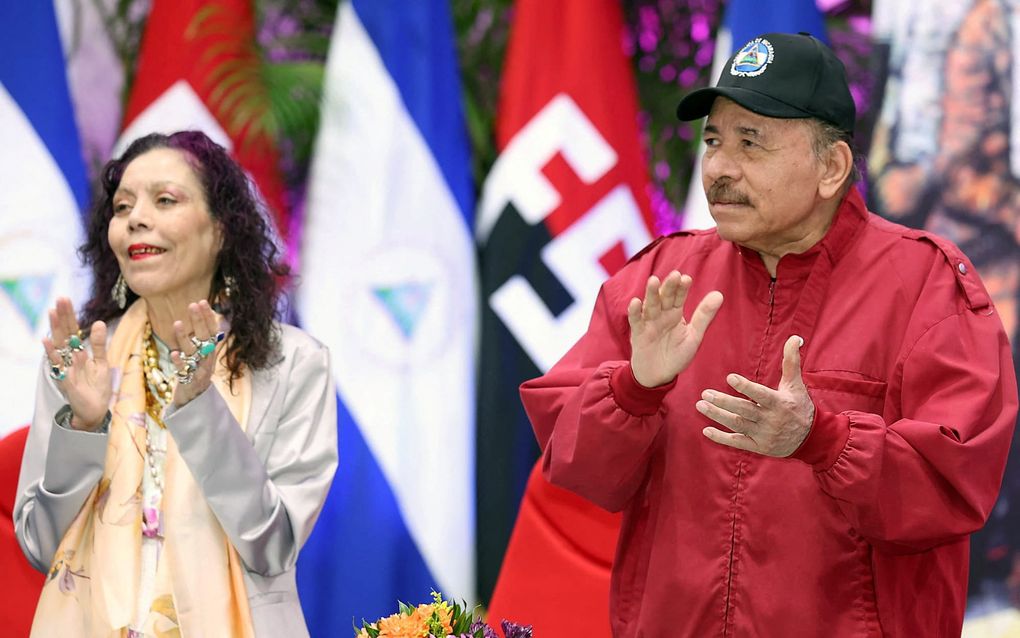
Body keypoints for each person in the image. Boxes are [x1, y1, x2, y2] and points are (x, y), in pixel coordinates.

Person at [520, 32, 1018, 637]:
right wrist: (633, 391)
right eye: (712, 141)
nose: (720, 169)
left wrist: (824, 441)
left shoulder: (925, 286)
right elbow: (577, 470)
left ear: (831, 167)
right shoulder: (661, 278)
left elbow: (953, 486)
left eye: (750, 143)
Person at [14, 131, 338, 637]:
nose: (136, 218)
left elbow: (271, 546)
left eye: (165, 200)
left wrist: (200, 409)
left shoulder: (294, 363)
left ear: (222, 231)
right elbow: (39, 543)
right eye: (123, 207)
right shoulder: (82, 361)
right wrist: (84, 425)